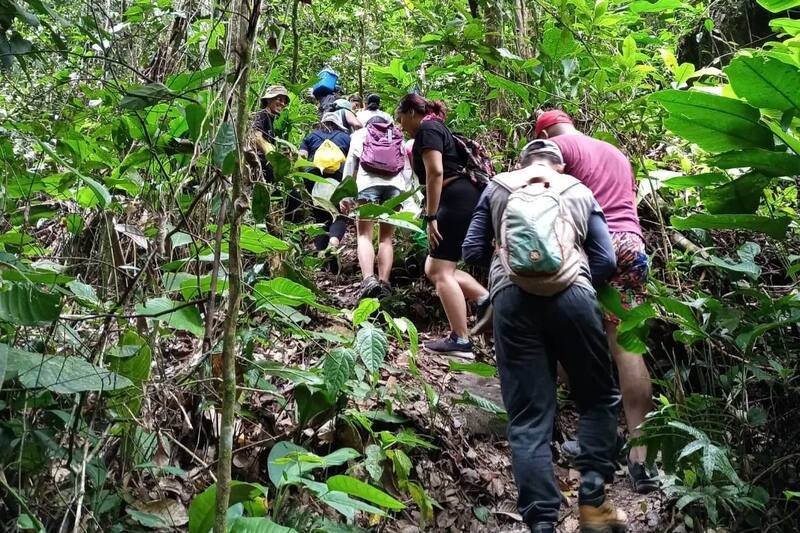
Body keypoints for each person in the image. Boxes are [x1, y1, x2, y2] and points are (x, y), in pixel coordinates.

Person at [462, 140, 627, 533]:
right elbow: (606, 259)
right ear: (559, 164)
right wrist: (577, 282)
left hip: (512, 303)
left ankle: (540, 523)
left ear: (523, 163)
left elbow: (471, 249)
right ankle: (592, 504)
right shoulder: (577, 190)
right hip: (574, 297)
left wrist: (503, 282)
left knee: (528, 417)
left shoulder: (498, 186)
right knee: (598, 398)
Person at [535, 109, 658, 494]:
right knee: (626, 348)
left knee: (567, 338)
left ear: (543, 132)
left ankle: (593, 443)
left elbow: (539, 199)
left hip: (593, 250)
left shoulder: (555, 148)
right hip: (633, 246)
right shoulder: (615, 152)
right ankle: (642, 461)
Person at [395, 94, 488, 358]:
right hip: (462, 199)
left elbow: (435, 171)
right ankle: (484, 299)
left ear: (412, 111)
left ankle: (461, 341)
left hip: (455, 200)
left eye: (400, 118)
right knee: (437, 267)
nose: (401, 125)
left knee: (439, 271)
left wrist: (431, 216)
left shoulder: (428, 128)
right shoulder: (436, 127)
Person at [341, 114, 412, 299]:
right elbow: (406, 168)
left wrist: (346, 194)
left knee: (364, 234)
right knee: (386, 238)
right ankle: (385, 283)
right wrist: (406, 194)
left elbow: (350, 162)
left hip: (367, 184)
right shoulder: (396, 135)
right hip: (395, 187)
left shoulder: (361, 134)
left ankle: (368, 280)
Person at [297, 112, 352, 253]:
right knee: (339, 214)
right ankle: (333, 243)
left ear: (323, 123)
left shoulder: (310, 136)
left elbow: (301, 158)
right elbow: (353, 161)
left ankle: (322, 254)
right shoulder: (346, 138)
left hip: (314, 177)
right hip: (338, 177)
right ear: (338, 124)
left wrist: (305, 181)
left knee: (320, 217)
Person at [252, 85, 290, 180]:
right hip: (260, 164)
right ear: (269, 100)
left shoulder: (271, 119)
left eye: (284, 101)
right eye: (279, 99)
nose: (282, 103)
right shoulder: (262, 115)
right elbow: (256, 137)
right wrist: (273, 158)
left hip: (266, 164)